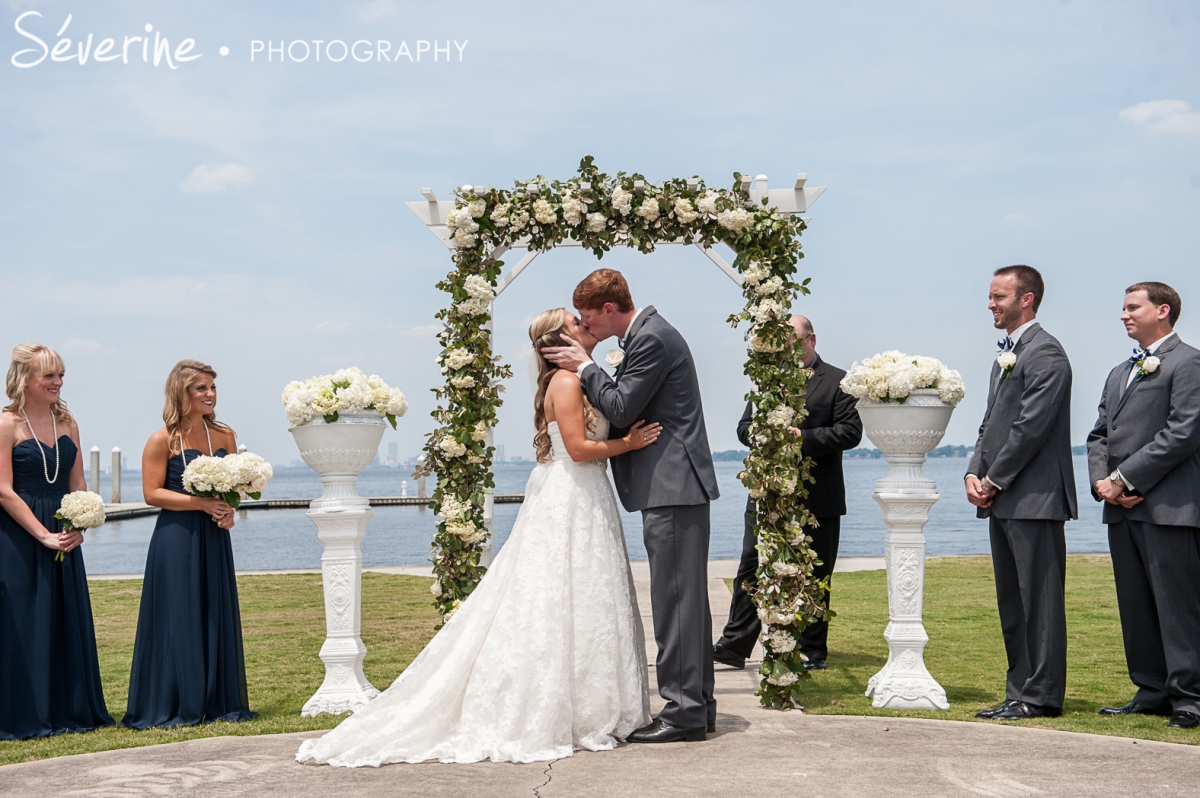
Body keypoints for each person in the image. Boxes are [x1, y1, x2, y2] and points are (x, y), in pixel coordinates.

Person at [297, 309, 658, 766]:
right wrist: (630, 444)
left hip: (586, 493)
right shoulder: (566, 384)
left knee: (586, 595)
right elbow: (580, 448)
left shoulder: (577, 379)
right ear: (557, 341)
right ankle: (557, 708)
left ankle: (592, 704)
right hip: (572, 491)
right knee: (559, 593)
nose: (584, 323)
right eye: (574, 322)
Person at [543, 269, 720, 744]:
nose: (585, 328)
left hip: (673, 485)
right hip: (672, 486)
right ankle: (697, 706)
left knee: (676, 602)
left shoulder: (652, 339)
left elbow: (620, 408)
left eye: (586, 317)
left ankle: (684, 711)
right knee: (685, 602)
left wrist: (584, 367)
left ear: (607, 309)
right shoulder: (648, 336)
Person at [712, 316, 862, 671]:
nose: (784, 350)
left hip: (818, 494)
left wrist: (801, 439)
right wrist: (763, 435)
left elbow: (850, 433)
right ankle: (734, 645)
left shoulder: (839, 381)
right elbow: (743, 428)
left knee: (815, 573)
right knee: (751, 566)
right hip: (768, 493)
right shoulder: (767, 380)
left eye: (791, 342)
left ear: (811, 339)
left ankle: (813, 650)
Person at [1087, 282, 1200, 729]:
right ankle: (1151, 690)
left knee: (1179, 607)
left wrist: (1124, 478)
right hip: (1120, 508)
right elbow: (1098, 434)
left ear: (1163, 310)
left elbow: (1184, 433)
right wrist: (1102, 482)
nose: (1124, 315)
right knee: (1135, 605)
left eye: (1133, 307)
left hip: (1171, 507)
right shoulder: (1119, 372)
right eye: (1123, 308)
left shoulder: (1190, 362)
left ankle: (1190, 697)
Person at [966, 265, 1077, 721]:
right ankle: (1019, 691)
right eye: (991, 297)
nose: (991, 304)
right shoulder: (1007, 355)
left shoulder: (1046, 353)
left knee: (1040, 603)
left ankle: (1042, 694)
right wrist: (973, 471)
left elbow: (1031, 428)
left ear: (1026, 299)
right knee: (1012, 602)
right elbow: (991, 422)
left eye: (999, 297)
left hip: (1034, 498)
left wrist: (994, 480)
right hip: (1004, 497)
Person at [121, 359, 256, 729]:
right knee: (179, 616)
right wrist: (199, 503)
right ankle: (177, 700)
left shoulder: (226, 436)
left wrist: (229, 511)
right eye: (201, 388)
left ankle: (216, 699)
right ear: (183, 392)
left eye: (213, 388)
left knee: (214, 611)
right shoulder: (163, 439)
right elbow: (152, 493)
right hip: (176, 538)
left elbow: (233, 489)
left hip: (214, 536)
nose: (210, 394)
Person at [0, 344, 114, 740]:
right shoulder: (6, 424)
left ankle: (69, 708)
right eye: (48, 375)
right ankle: (23, 712)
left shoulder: (68, 422)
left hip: (63, 533)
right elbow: (3, 490)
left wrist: (78, 524)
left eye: (60, 374)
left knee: (62, 617)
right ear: (24, 378)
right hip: (18, 534)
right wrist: (42, 534)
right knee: (25, 618)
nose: (58, 382)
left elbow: (77, 484)